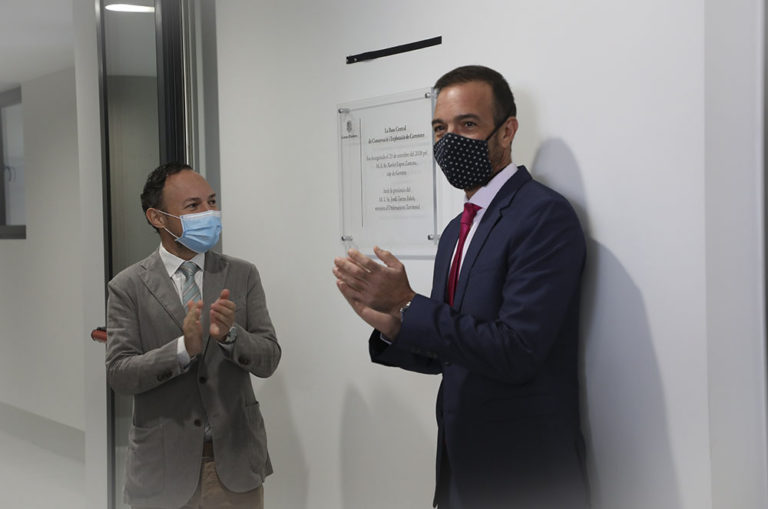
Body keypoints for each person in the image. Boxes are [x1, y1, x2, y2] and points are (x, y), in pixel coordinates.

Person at [333, 65, 589, 508]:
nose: (449, 140)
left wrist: (409, 303)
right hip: (461, 472)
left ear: (506, 131)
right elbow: (452, 347)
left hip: (526, 473)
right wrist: (395, 324)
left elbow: (516, 351)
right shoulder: (457, 229)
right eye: (440, 128)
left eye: (467, 124)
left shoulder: (543, 216)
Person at [106, 163, 281, 509]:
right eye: (193, 206)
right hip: (162, 470)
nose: (209, 212)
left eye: (211, 202)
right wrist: (181, 350)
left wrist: (231, 336)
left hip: (235, 463)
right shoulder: (127, 286)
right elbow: (120, 373)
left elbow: (269, 358)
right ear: (157, 218)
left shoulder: (242, 274)